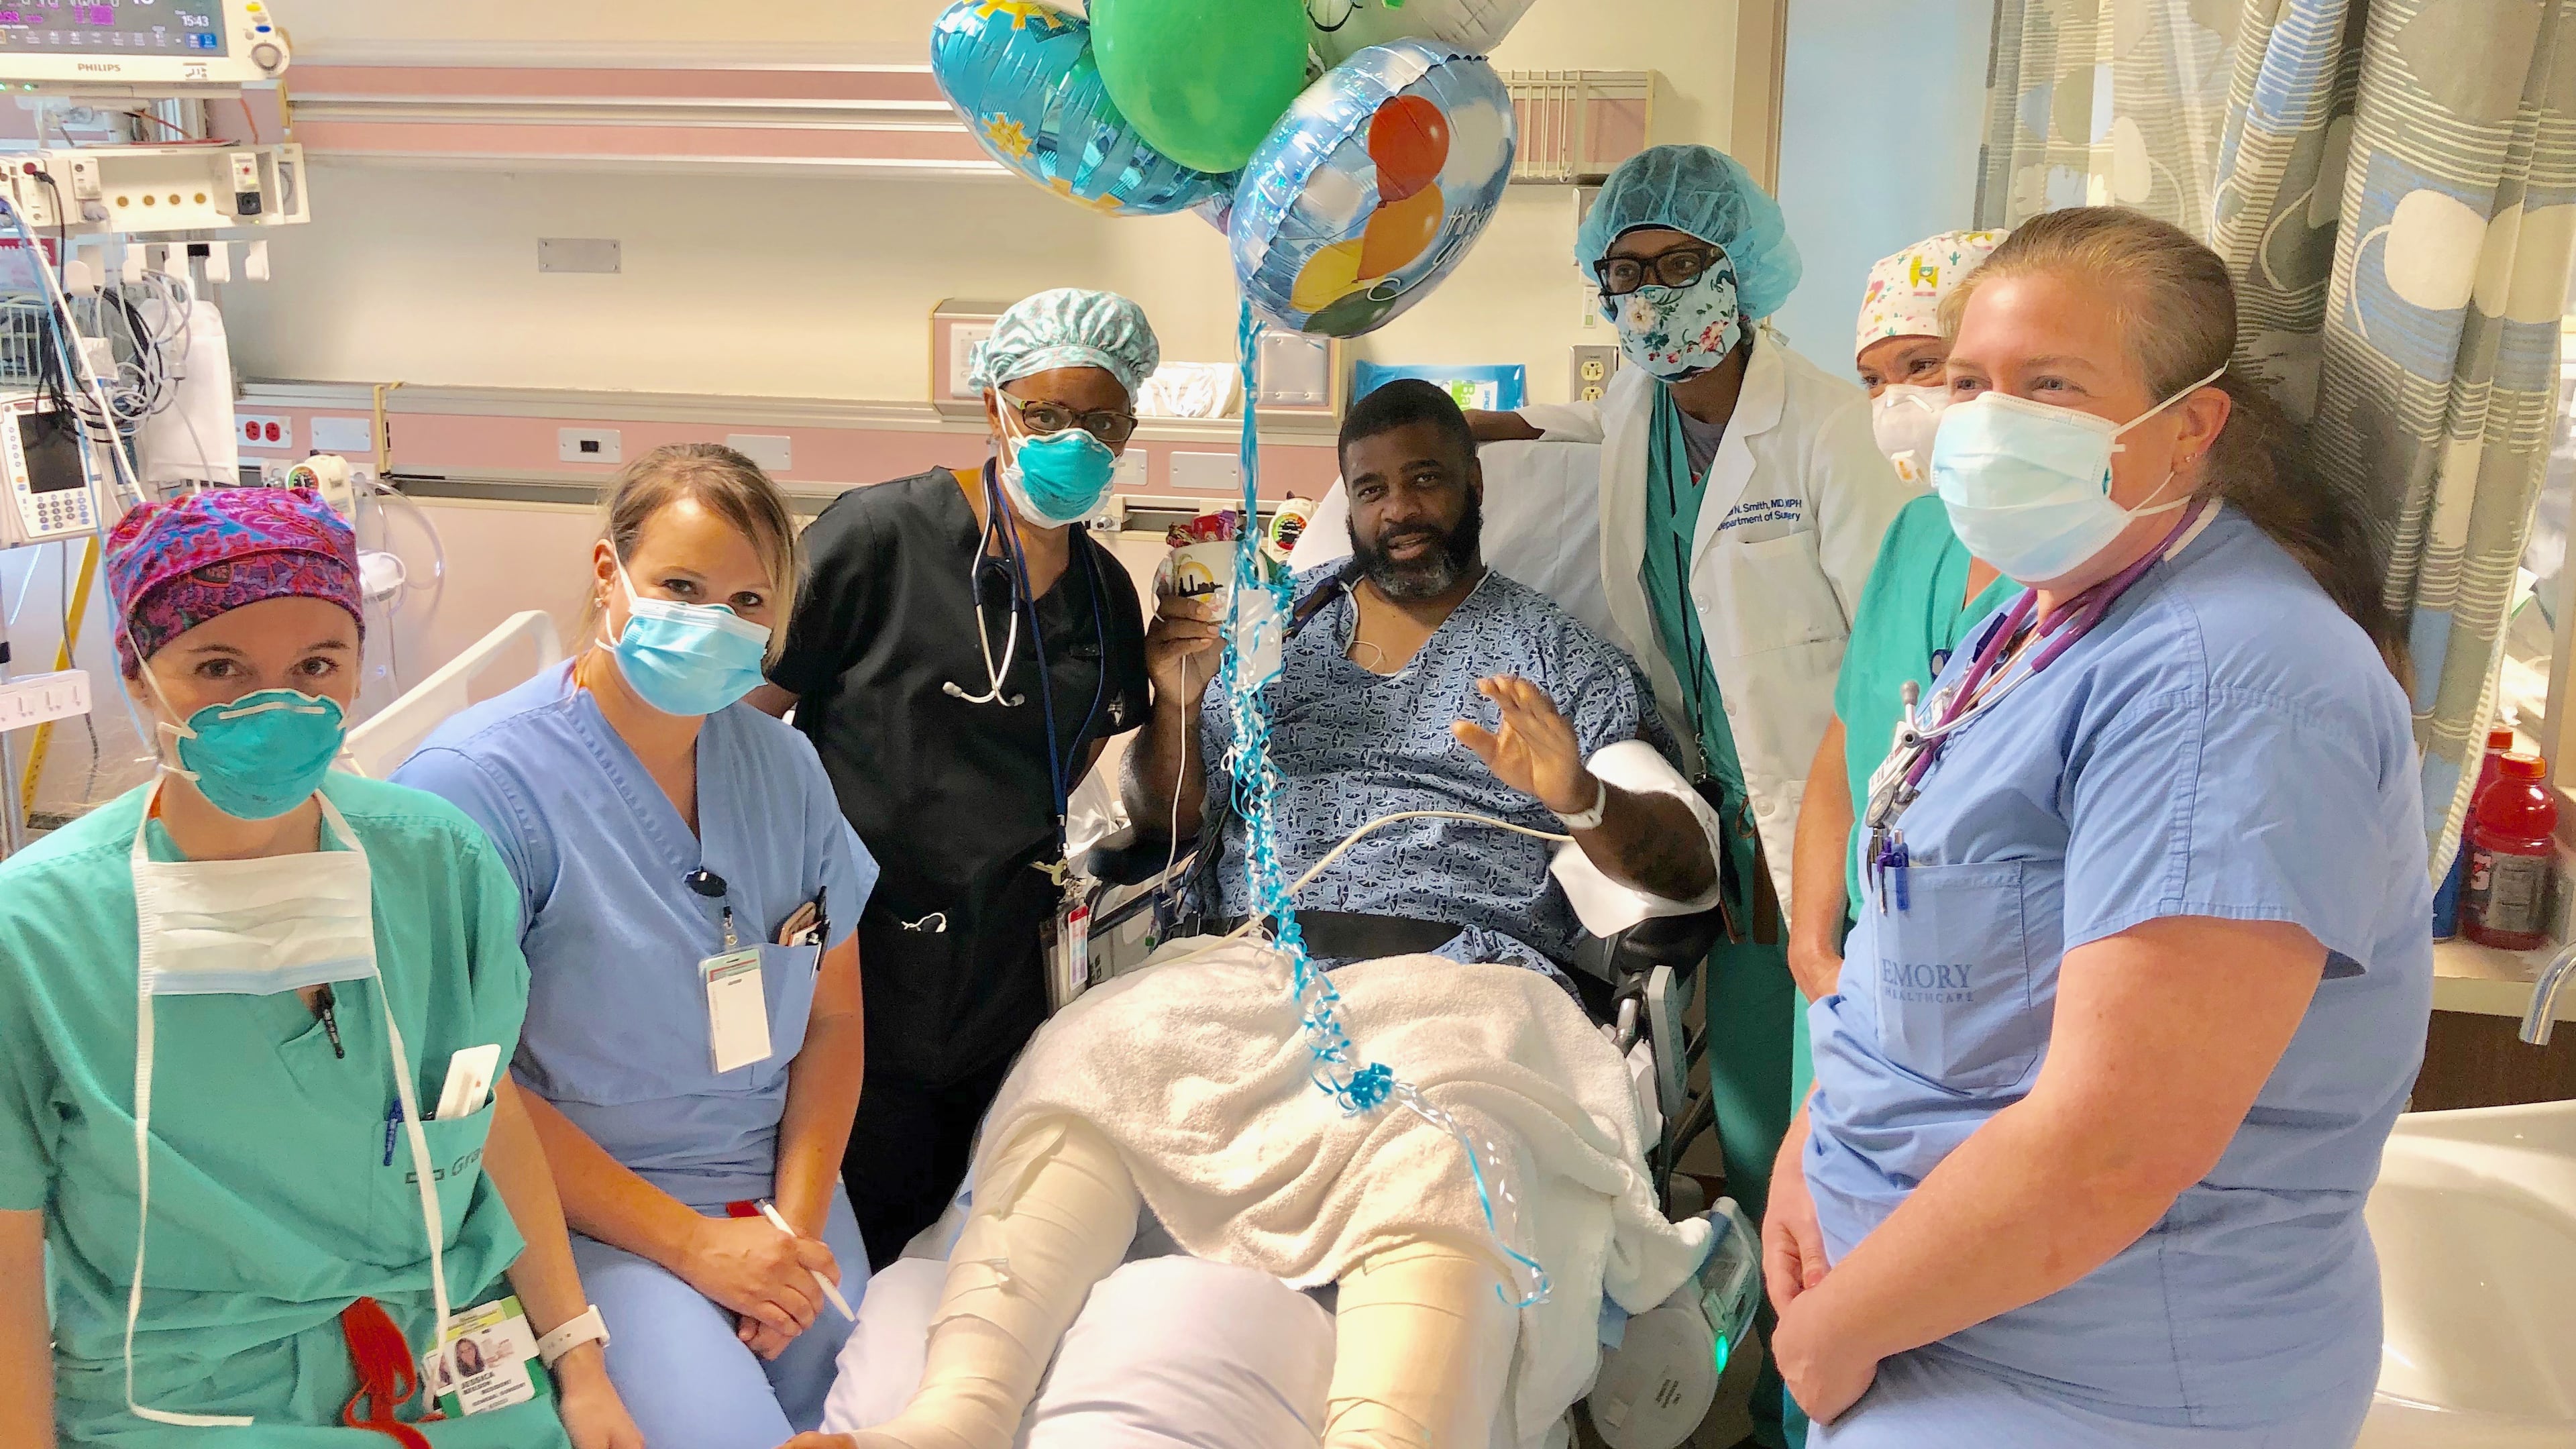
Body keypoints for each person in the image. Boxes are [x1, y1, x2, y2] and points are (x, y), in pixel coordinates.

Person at [1767, 209, 2432, 1444]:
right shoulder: (2044, 608)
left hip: (2091, 1372)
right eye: (1966, 382)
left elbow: (2111, 1154)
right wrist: (1816, 1143)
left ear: (2191, 425)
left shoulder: (2230, 683)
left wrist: (1834, 1329)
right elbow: (1933, 933)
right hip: (1934, 1309)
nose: (1980, 419)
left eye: (2051, 387)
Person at [0, 488, 638, 1446]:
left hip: (452, 1368)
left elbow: (485, 1106)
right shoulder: (41, 931)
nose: (276, 707)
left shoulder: (437, 864)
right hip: (186, 1399)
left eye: (317, 666)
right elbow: (9, 1239)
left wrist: (580, 1364)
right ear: (139, 677)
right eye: (218, 668)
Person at [1470, 144, 1911, 1449]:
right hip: (1720, 832)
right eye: (1627, 274)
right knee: (1767, 1142)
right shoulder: (1634, 420)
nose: (1653, 298)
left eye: (1679, 268)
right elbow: (1595, 475)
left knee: (1844, 1158)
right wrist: (1483, 433)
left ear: (1741, 273)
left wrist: (1829, 840)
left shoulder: (1827, 431)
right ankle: (1794, 1389)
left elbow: (1894, 670)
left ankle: (1819, 1412)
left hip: (1829, 841)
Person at [394, 445, 875, 1449]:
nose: (715, 621)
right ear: (609, 575)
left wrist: (792, 1228)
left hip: (784, 1198)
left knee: (878, 1422)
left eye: (747, 600)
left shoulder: (786, 769)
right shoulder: (475, 789)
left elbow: (832, 1019)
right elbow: (464, 1086)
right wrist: (701, 1249)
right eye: (683, 587)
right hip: (585, 1217)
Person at [750, 288, 1155, 1269]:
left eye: (1102, 422)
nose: (1074, 440)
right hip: (855, 955)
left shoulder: (1104, 592)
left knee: (965, 1235)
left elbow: (1078, 757)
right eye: (1047, 414)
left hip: (1003, 971)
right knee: (853, 1233)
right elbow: (744, 727)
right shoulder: (874, 538)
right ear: (995, 408)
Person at [1128, 379, 1722, 981]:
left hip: (1458, 977)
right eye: (1371, 490)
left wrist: (1582, 799)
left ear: (1475, 482)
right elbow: (1163, 823)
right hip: (1237, 967)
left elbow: (1690, 872)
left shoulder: (1554, 656)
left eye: (1425, 479)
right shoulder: (1275, 623)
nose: (1399, 510)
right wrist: (1177, 705)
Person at [1786, 231, 2015, 1070]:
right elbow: (1845, 749)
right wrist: (1812, 950)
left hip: (1988, 1002)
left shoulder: (2069, 563)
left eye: (1925, 367)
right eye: (1874, 380)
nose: (1895, 403)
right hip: (1849, 969)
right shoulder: (1917, 534)